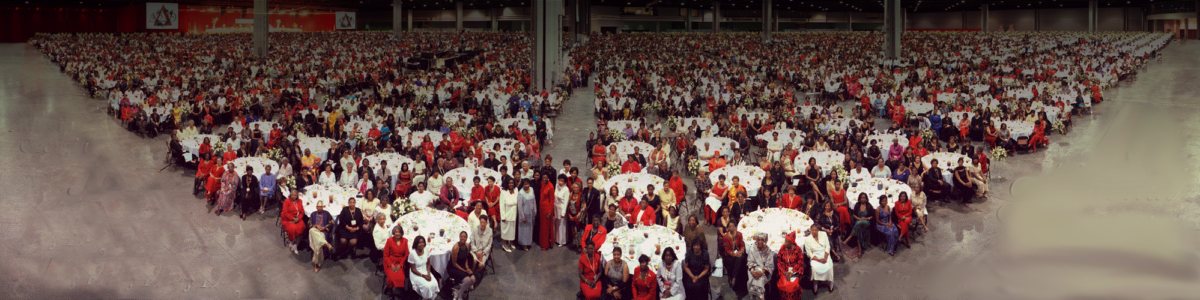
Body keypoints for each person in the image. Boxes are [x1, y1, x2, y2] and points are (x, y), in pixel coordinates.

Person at [805, 223, 835, 292]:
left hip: (824, 254)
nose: (814, 231)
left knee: (829, 266)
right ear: (810, 230)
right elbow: (809, 253)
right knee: (815, 268)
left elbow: (827, 246)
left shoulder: (823, 234)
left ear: (818, 230)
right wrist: (818, 260)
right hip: (815, 256)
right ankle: (815, 282)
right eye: (812, 230)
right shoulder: (807, 239)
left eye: (816, 230)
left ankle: (831, 281)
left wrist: (825, 257)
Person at [776, 232, 806, 300]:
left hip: (795, 271)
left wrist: (792, 272)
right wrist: (784, 272)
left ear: (791, 242)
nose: (785, 243)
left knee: (793, 284)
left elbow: (800, 262)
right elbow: (779, 261)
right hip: (784, 270)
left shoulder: (797, 249)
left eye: (787, 242)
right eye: (785, 241)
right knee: (784, 283)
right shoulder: (782, 248)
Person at [448, 231, 478, 300]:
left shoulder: (467, 245)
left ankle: (458, 291)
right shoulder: (455, 248)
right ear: (459, 237)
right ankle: (460, 296)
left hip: (462, 264)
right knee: (467, 280)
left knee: (473, 279)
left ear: (467, 238)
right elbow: (454, 264)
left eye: (464, 237)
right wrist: (465, 271)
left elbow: (466, 258)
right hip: (453, 268)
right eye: (461, 237)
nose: (463, 238)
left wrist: (467, 268)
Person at [408, 236, 440, 300]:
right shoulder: (412, 253)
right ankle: (426, 298)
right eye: (419, 242)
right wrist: (423, 276)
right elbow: (413, 269)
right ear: (416, 244)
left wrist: (428, 273)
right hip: (416, 273)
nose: (421, 244)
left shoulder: (426, 249)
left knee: (434, 283)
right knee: (427, 286)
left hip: (425, 271)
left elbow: (428, 263)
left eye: (423, 242)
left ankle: (429, 298)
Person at [382, 225, 410, 295]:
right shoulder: (389, 241)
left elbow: (406, 254)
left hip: (400, 262)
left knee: (401, 277)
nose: (397, 233)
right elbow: (385, 255)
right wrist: (391, 265)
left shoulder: (405, 241)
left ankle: (396, 288)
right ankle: (390, 289)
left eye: (399, 232)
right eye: (396, 232)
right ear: (393, 233)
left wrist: (400, 265)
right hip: (389, 262)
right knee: (391, 278)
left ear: (401, 233)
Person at [745, 232, 774, 300]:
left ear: (765, 241)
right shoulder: (753, 249)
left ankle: (756, 296)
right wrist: (753, 272)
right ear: (756, 240)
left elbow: (769, 265)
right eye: (758, 240)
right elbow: (750, 262)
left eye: (762, 240)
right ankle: (760, 297)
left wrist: (761, 273)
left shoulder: (768, 251)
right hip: (753, 270)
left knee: (758, 281)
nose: (760, 241)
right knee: (756, 280)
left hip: (764, 272)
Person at [721, 221, 747, 293]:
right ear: (728, 228)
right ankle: (735, 278)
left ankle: (734, 277)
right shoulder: (725, 236)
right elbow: (726, 249)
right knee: (739, 258)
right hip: (730, 256)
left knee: (741, 258)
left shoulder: (739, 234)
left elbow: (742, 244)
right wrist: (734, 254)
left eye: (733, 226)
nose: (731, 228)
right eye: (730, 226)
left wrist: (741, 251)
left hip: (738, 252)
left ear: (736, 227)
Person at [309, 201, 334, 273]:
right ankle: (327, 244)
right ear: (316, 207)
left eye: (321, 206)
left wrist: (324, 228)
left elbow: (332, 223)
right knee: (312, 231)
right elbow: (309, 224)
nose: (319, 208)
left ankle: (317, 264)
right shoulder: (313, 214)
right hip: (315, 231)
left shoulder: (326, 213)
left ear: (323, 207)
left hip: (323, 232)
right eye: (318, 206)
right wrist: (315, 226)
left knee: (318, 242)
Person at [280, 190, 306, 254]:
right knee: (292, 229)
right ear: (290, 195)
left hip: (297, 219)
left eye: (295, 195)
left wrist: (298, 218)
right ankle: (291, 242)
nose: (293, 196)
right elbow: (285, 213)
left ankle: (295, 245)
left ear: (297, 196)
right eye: (292, 195)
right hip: (288, 219)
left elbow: (302, 212)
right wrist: (293, 219)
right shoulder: (286, 201)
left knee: (303, 227)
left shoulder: (300, 201)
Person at [468, 201, 493, 270]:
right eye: (481, 222)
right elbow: (472, 241)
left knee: (480, 265)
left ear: (486, 222)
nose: (482, 224)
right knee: (474, 261)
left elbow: (489, 245)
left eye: (484, 222)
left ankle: (474, 272)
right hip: (476, 247)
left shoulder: (489, 230)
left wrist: (482, 253)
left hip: (484, 251)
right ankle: (472, 273)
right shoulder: (475, 228)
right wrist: (476, 252)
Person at [499, 180, 519, 252]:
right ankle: (504, 244)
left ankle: (511, 241)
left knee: (512, 229)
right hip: (506, 214)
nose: (511, 184)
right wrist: (503, 216)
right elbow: (501, 205)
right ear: (507, 184)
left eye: (512, 183)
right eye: (509, 183)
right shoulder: (504, 192)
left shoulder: (516, 190)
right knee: (505, 230)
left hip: (514, 213)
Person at [517, 180, 537, 251]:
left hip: (531, 213)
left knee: (530, 229)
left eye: (527, 184)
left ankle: (528, 242)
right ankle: (524, 244)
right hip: (524, 214)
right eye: (525, 184)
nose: (526, 186)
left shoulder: (531, 189)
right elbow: (519, 206)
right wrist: (522, 216)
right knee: (524, 230)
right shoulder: (520, 193)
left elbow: (534, 201)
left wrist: (535, 210)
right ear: (522, 185)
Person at [555, 176, 571, 246]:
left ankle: (562, 241)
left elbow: (566, 202)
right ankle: (557, 239)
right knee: (557, 225)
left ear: (565, 182)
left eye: (562, 181)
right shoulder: (556, 186)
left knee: (562, 226)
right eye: (559, 180)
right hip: (556, 208)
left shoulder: (566, 189)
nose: (560, 182)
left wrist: (563, 212)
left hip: (561, 208)